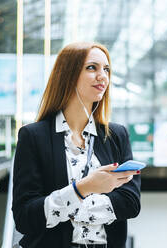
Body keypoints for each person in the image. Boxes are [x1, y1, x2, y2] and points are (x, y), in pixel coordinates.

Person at [12, 42, 141, 248]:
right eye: (92, 67)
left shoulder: (116, 135)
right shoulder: (33, 136)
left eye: (106, 69)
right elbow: (25, 216)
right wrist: (84, 188)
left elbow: (130, 203)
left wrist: (66, 207)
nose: (103, 76)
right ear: (68, 74)